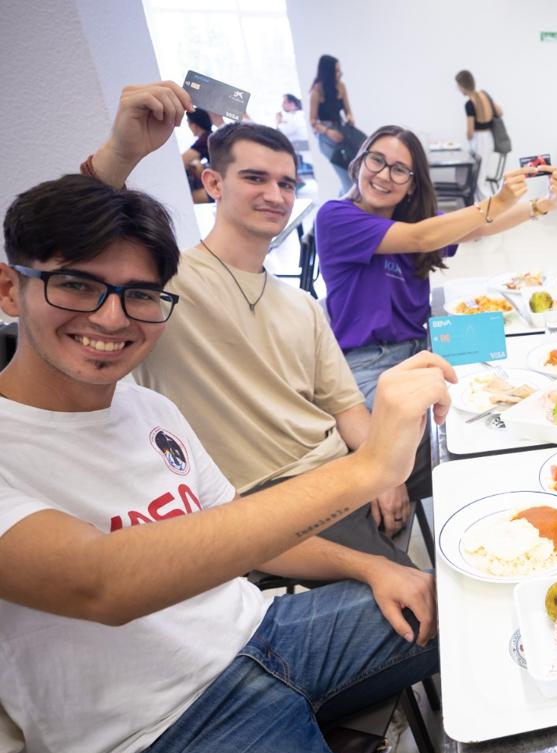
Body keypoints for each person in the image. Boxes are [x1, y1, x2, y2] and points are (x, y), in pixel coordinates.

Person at [0, 153, 452, 753]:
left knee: (475, 600)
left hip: (267, 635)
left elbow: (236, 524)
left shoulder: (150, 412)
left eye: (140, 295)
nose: (113, 317)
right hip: (155, 744)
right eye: (77, 286)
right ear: (10, 289)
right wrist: (369, 470)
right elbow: (103, 583)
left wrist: (375, 566)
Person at [78, 88, 421, 546]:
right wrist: (121, 153)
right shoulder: (166, 286)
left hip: (340, 470)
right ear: (214, 183)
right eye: (255, 178)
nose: (274, 195)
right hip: (272, 500)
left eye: (286, 184)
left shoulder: (300, 304)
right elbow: (81, 240)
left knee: (463, 443)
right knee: (420, 610)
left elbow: (347, 409)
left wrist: (383, 469)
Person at [315, 124, 557, 407]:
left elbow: (480, 228)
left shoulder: (412, 220)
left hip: (425, 347)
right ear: (359, 161)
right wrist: (496, 202)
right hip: (370, 362)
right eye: (376, 160)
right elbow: (422, 238)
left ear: (412, 184)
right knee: (446, 418)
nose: (384, 175)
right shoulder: (335, 217)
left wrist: (544, 203)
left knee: (520, 382)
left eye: (399, 170)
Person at [309, 54, 355, 192]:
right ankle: (346, 210)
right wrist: (328, 132)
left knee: (353, 174)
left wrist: (350, 118)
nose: (340, 73)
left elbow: (348, 111)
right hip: (326, 136)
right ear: (328, 72)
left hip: (340, 130)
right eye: (336, 70)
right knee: (345, 177)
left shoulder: (341, 87)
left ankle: (344, 203)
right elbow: (312, 121)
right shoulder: (316, 92)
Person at [455, 69, 501, 158]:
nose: (458, 89)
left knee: (478, 170)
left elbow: (470, 132)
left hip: (479, 140)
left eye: (458, 85)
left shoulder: (469, 104)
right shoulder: (484, 95)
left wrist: (468, 137)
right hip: (489, 138)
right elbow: (499, 112)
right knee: (484, 168)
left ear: (463, 86)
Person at [182, 108, 212, 203]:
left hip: (226, 185)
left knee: (187, 198)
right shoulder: (210, 137)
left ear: (194, 125)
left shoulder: (205, 140)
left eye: (188, 123)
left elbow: (182, 161)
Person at [275, 93, 311, 172]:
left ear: (292, 103)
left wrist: (278, 121)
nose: (282, 105)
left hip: (304, 159)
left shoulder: (296, 118)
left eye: (284, 102)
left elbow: (278, 135)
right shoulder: (300, 115)